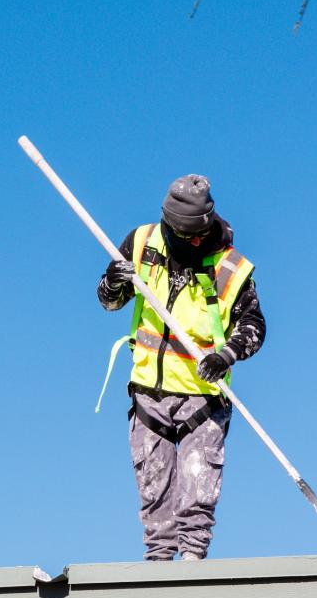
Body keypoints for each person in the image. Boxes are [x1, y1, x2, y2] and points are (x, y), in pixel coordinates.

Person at [97, 174, 265, 561]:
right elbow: (109, 302)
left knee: (196, 496)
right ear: (169, 225)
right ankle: (158, 572)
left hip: (202, 399)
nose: (194, 243)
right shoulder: (140, 243)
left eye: (199, 237)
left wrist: (227, 355)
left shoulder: (229, 266)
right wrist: (113, 281)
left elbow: (254, 326)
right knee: (154, 500)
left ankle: (191, 567)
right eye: (186, 237)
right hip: (148, 394)